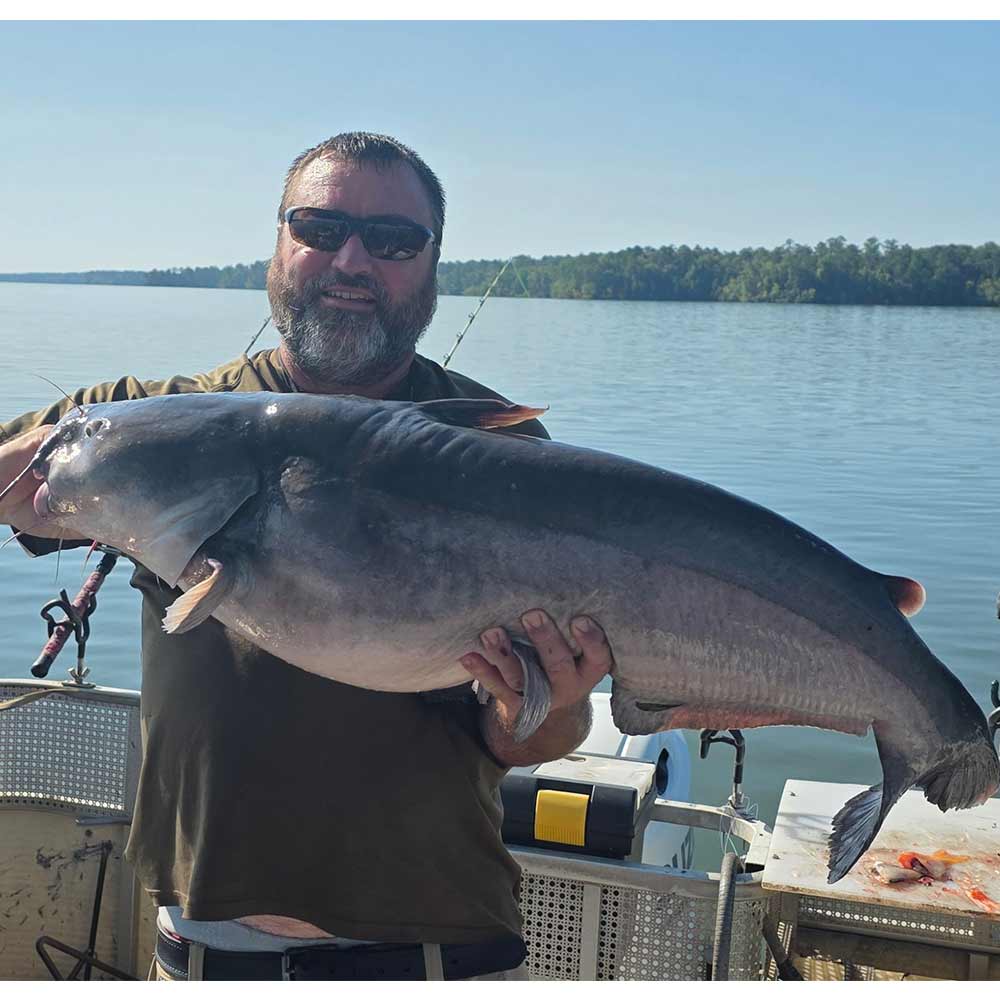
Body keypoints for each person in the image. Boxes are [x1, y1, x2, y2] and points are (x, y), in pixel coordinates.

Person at [0, 132, 613, 981]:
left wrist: (545, 702)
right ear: (279, 242)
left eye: (393, 240)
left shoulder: (501, 452)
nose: (351, 259)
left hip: (436, 950)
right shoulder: (148, 425)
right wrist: (63, 464)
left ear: (434, 264)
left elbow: (530, 739)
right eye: (319, 227)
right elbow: (19, 478)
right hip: (206, 950)